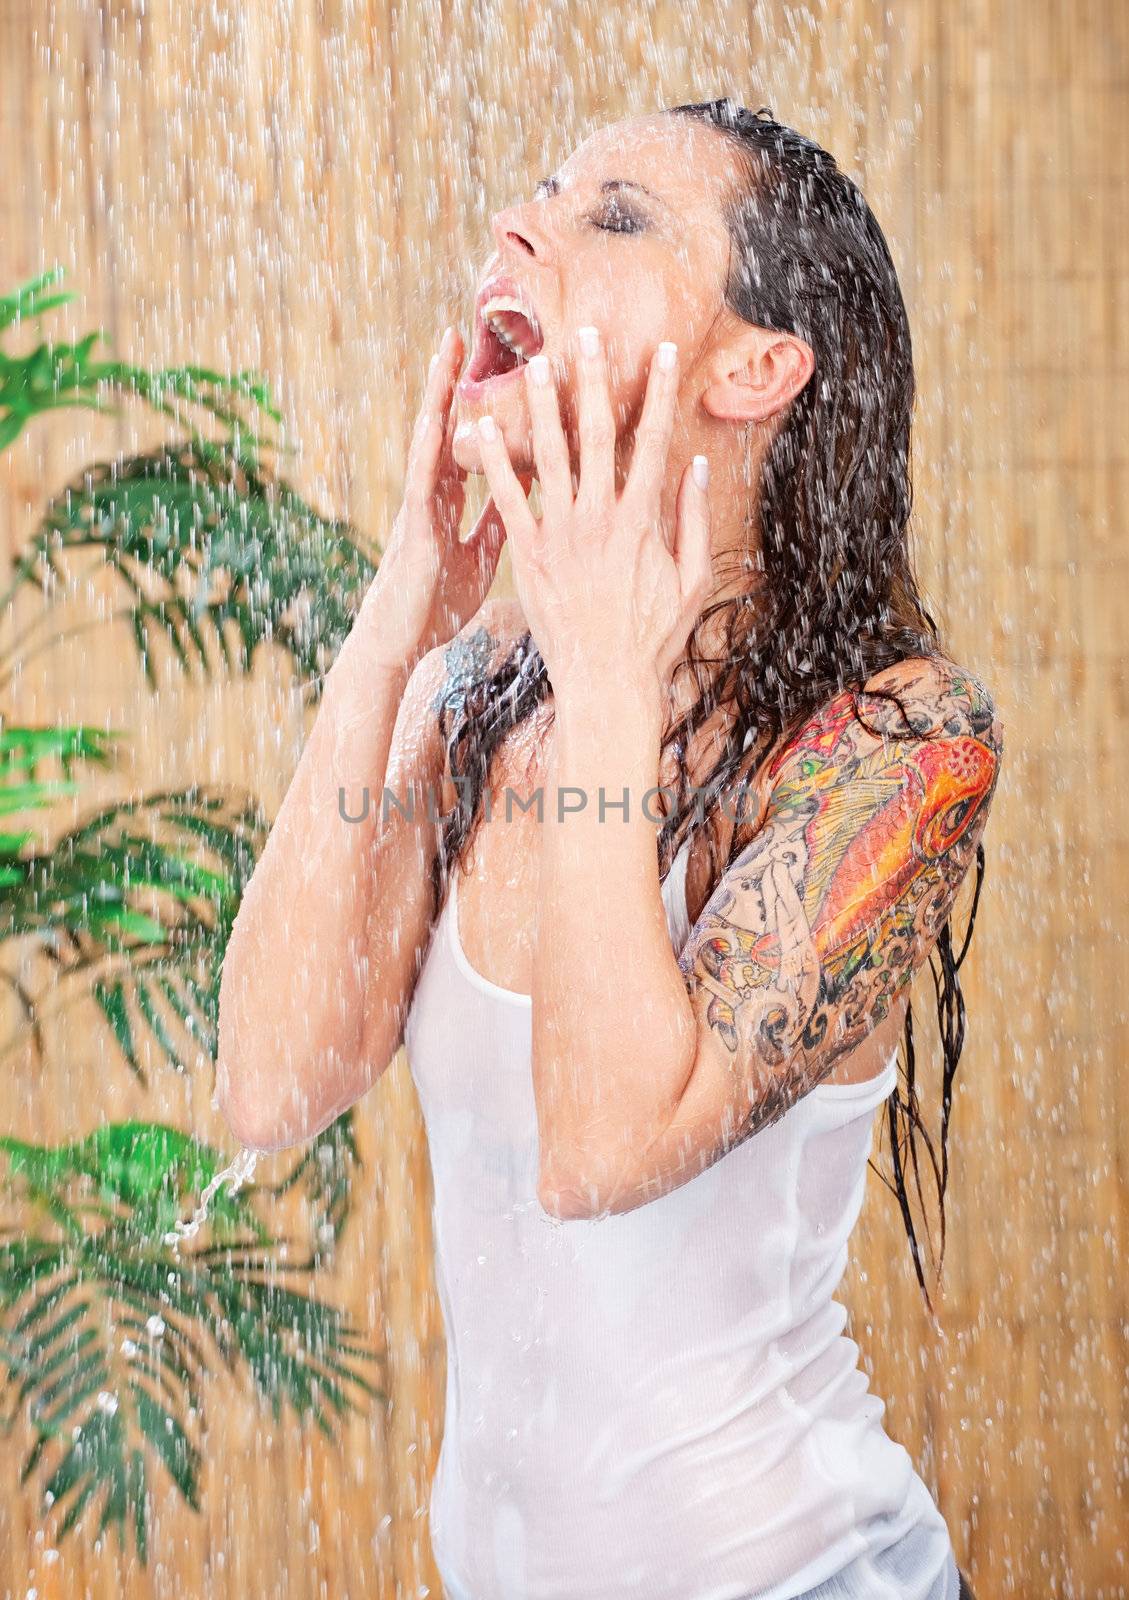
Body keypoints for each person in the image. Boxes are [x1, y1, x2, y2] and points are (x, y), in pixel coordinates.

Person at [217, 99, 1001, 1600]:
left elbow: (597, 1147)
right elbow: (268, 1084)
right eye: (537, 197)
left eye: (615, 216)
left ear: (754, 367)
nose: (522, 230)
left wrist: (606, 674)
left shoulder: (896, 749)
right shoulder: (470, 707)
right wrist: (402, 613)